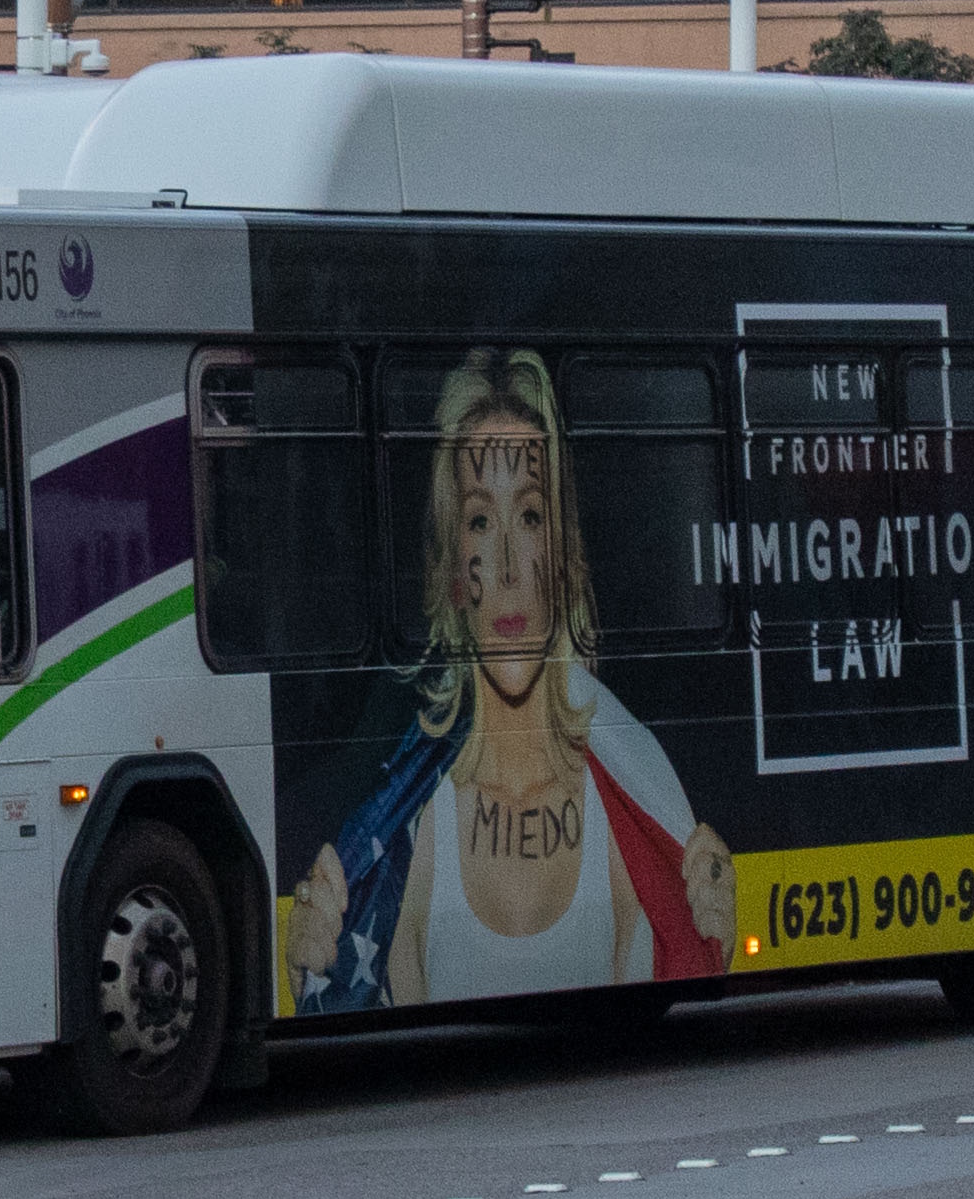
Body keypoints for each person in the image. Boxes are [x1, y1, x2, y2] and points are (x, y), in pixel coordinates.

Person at [290, 349, 734, 1011]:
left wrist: (716, 944)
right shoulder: (410, 832)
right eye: (478, 521)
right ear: (448, 575)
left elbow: (658, 1025)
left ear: (563, 556)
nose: (504, 565)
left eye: (529, 516)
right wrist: (309, 977)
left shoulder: (637, 804)